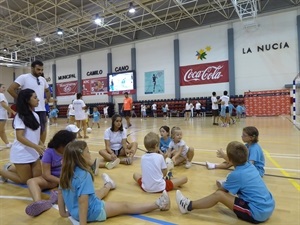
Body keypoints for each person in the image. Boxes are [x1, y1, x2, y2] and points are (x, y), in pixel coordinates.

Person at [58, 140, 170, 224]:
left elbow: (60, 193)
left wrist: (63, 213)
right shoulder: (84, 175)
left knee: (96, 193)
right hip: (92, 212)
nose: (90, 154)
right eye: (88, 151)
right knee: (125, 206)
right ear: (81, 156)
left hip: (74, 212)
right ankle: (158, 204)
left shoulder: (65, 173)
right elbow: (83, 202)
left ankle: (108, 185)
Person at [176, 141, 275, 224]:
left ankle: (187, 206)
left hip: (257, 213)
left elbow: (220, 193)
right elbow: (235, 162)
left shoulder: (237, 174)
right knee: (225, 188)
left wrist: (221, 190)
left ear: (230, 159)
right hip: (269, 206)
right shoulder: (250, 166)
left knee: (219, 195)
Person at [25, 130, 76, 217]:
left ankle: (56, 194)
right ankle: (38, 203)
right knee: (31, 181)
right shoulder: (49, 152)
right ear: (61, 145)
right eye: (70, 143)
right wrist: (61, 181)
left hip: (66, 179)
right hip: (52, 180)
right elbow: (46, 175)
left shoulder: (71, 151)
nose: (72, 145)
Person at [0, 89, 45, 184]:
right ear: (27, 100)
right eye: (35, 97)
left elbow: (35, 135)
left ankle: (9, 167)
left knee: (37, 177)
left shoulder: (35, 115)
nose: (38, 100)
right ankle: (2, 172)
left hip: (33, 152)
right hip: (21, 152)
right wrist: (36, 147)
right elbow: (20, 137)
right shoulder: (20, 116)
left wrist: (41, 145)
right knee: (25, 180)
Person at [7, 60, 51, 144]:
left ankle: (41, 150)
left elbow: (48, 91)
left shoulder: (43, 79)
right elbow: (10, 89)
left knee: (43, 130)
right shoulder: (24, 77)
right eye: (38, 69)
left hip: (41, 109)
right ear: (32, 68)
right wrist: (22, 101)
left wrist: (47, 99)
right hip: (29, 110)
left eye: (42, 70)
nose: (40, 72)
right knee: (29, 132)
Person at [0, 83, 16, 148]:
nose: (4, 89)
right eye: (3, 87)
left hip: (2, 115)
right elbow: (3, 104)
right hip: (1, 116)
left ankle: (7, 143)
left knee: (2, 131)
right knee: (1, 130)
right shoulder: (1, 95)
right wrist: (12, 111)